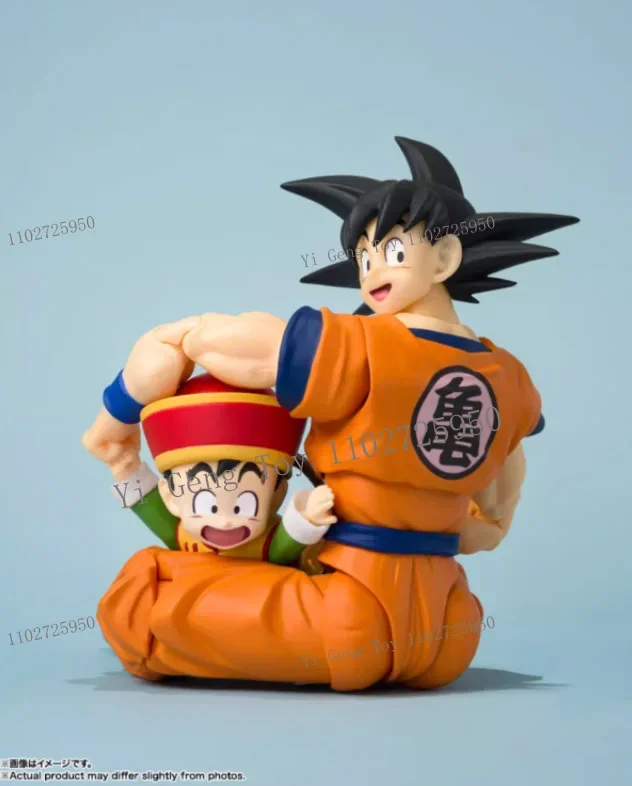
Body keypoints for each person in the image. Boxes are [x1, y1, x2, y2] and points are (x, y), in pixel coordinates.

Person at [83, 137, 578, 690]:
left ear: (445, 258)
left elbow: (194, 341)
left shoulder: (355, 346)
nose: (371, 272)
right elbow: (493, 518)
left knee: (145, 595)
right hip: (449, 627)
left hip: (344, 615)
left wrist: (115, 421)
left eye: (391, 251)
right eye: (363, 257)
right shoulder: (511, 377)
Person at [108, 372, 335, 564]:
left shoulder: (267, 545)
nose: (225, 522)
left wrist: (308, 519)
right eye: (208, 505)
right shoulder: (183, 536)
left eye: (244, 506)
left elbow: (285, 548)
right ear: (171, 497)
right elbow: (147, 506)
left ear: (276, 496)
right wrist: (124, 471)